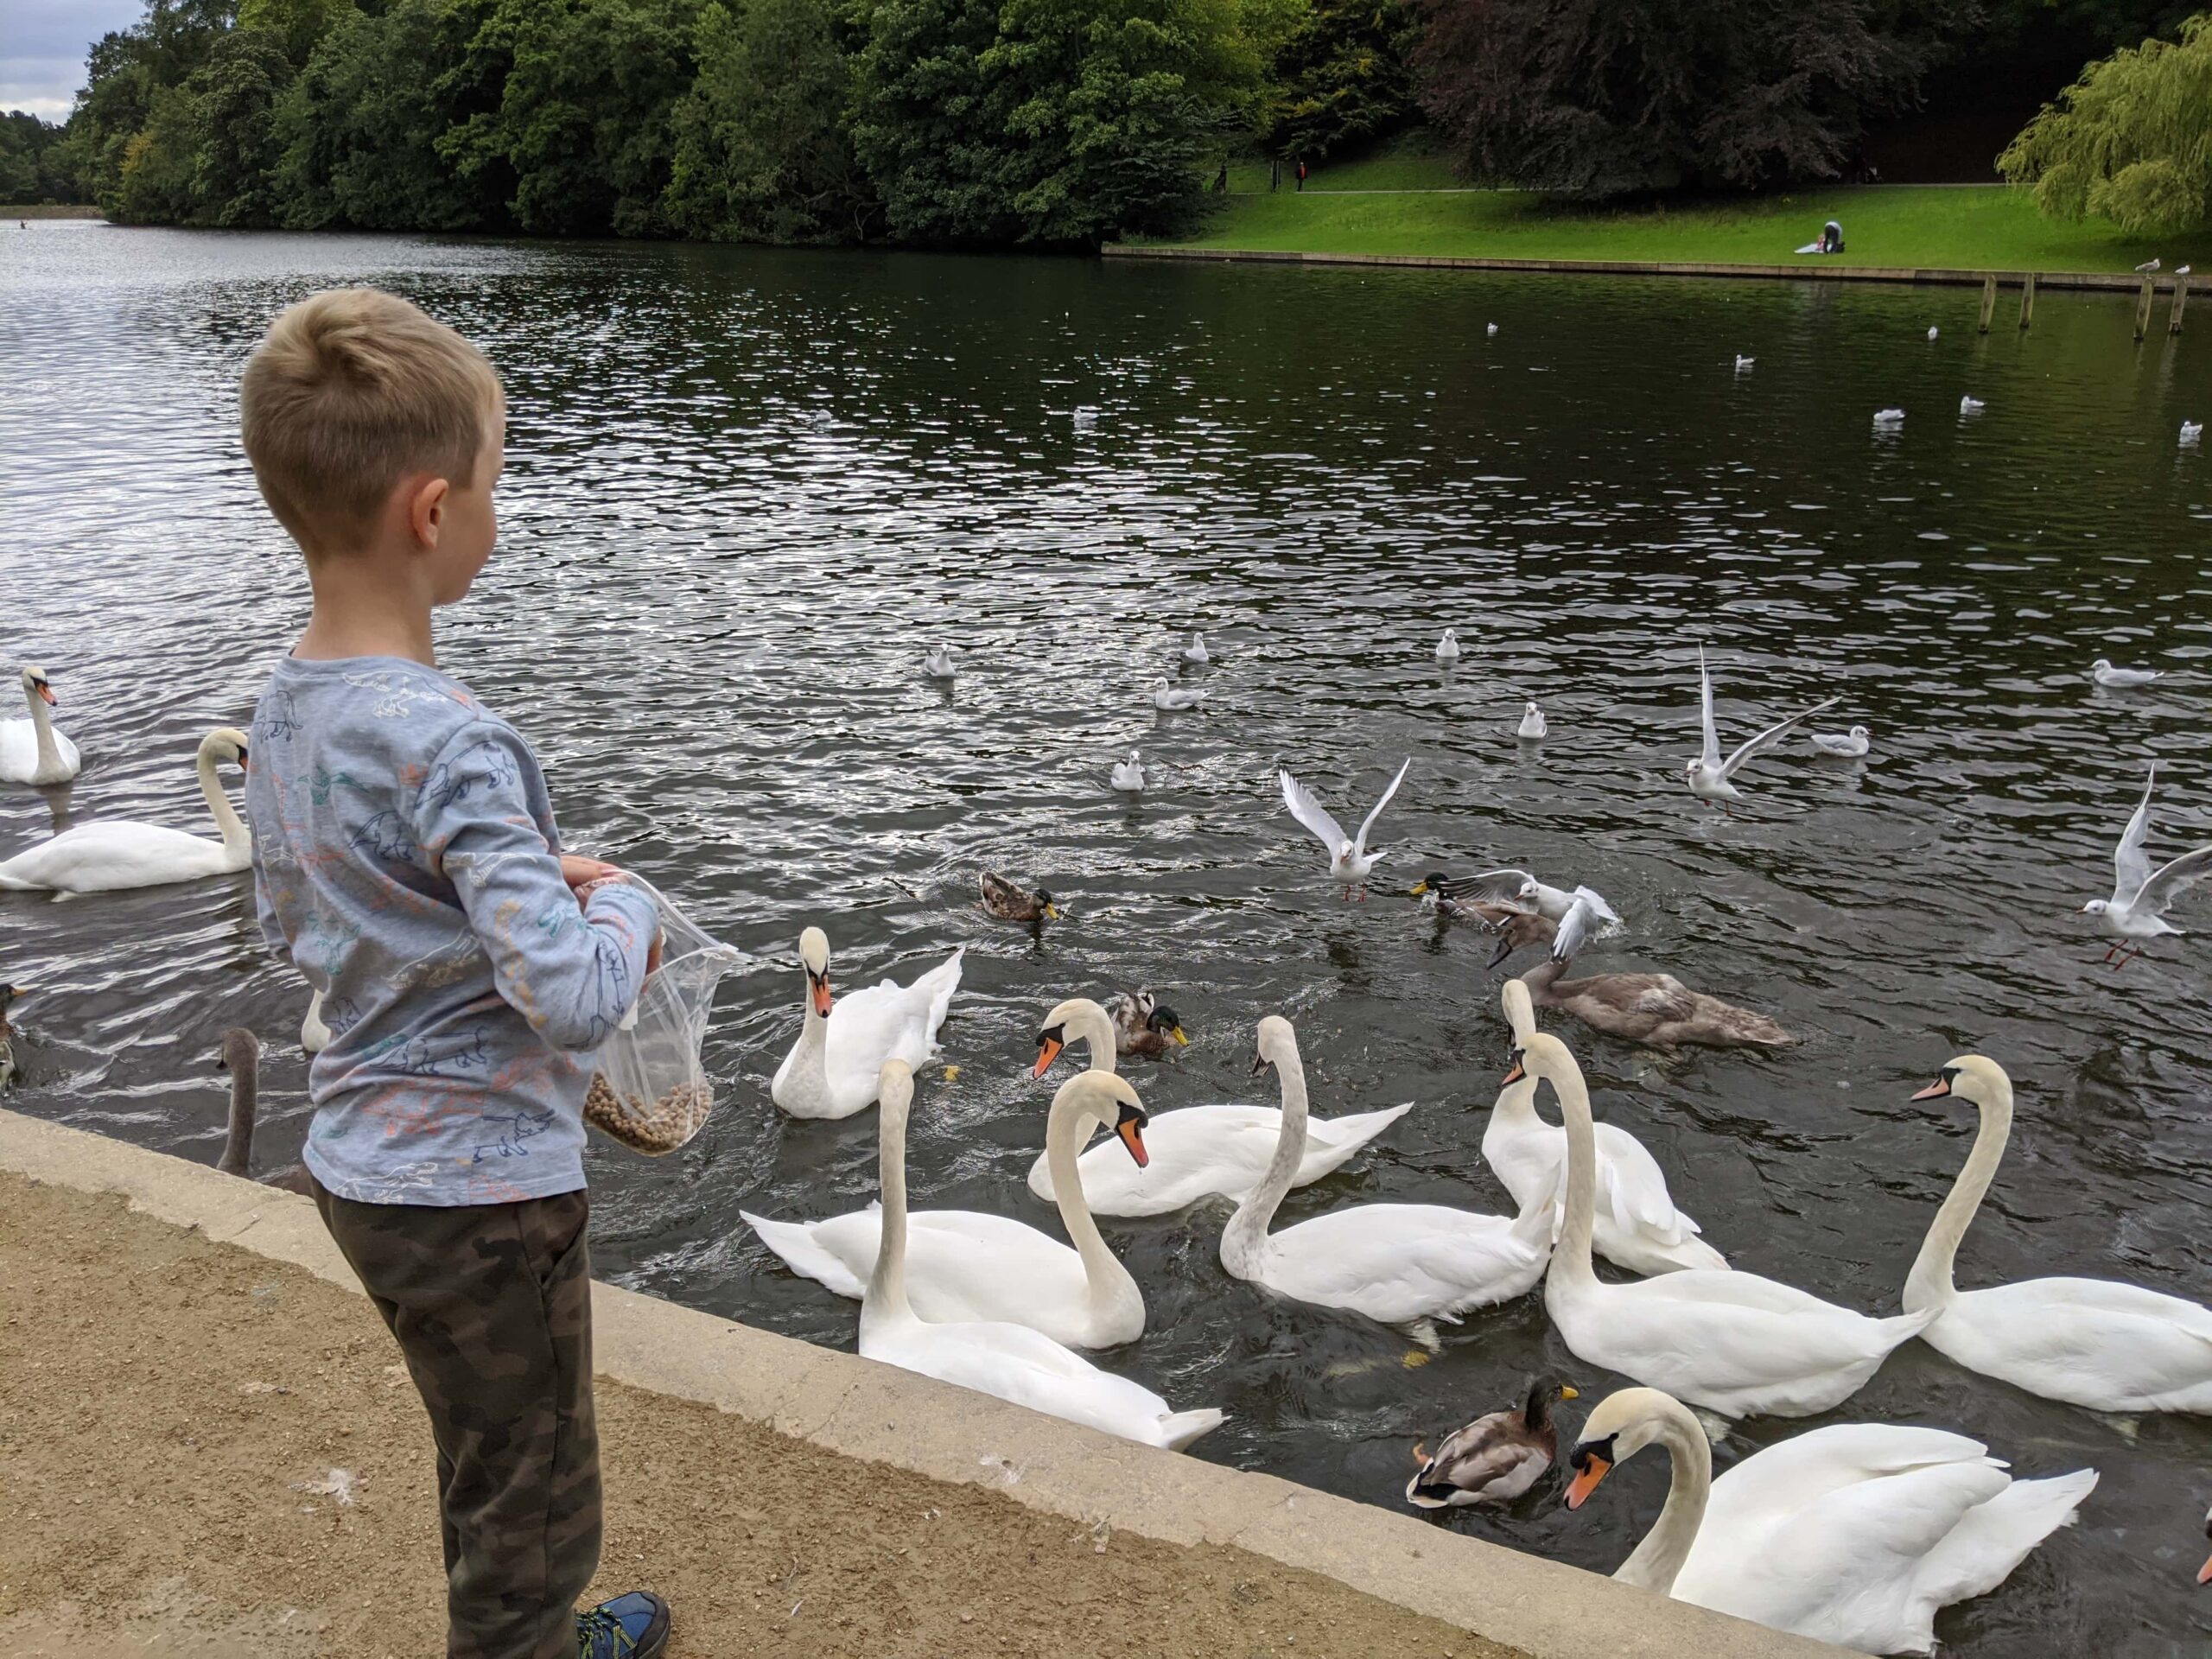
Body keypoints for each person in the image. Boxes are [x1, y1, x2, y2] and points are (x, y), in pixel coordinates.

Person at [237, 287, 671, 1659]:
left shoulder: (288, 705)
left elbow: (311, 913)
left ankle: (521, 1627)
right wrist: (634, 908)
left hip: (363, 1170)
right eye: (496, 484)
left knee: (484, 1458)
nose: (498, 510)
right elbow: (580, 1001)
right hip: (486, 1194)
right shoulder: (459, 744)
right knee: (535, 1494)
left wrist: (530, 888)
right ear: (435, 513)